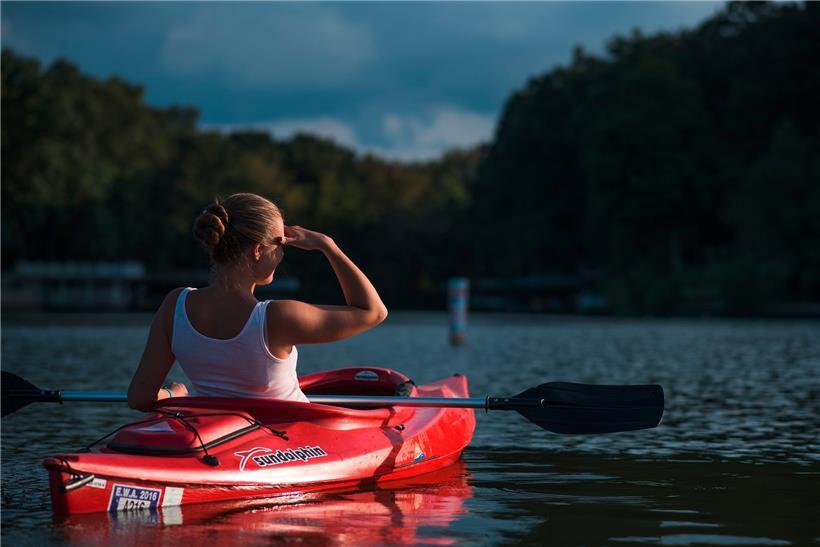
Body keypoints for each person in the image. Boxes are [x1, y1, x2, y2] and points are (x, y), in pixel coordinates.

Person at [127, 193, 388, 411]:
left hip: (220, 439)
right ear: (258, 251)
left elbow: (140, 398)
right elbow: (373, 311)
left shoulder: (175, 305)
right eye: (280, 243)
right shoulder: (278, 317)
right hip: (288, 445)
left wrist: (176, 396)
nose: (283, 253)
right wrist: (327, 245)